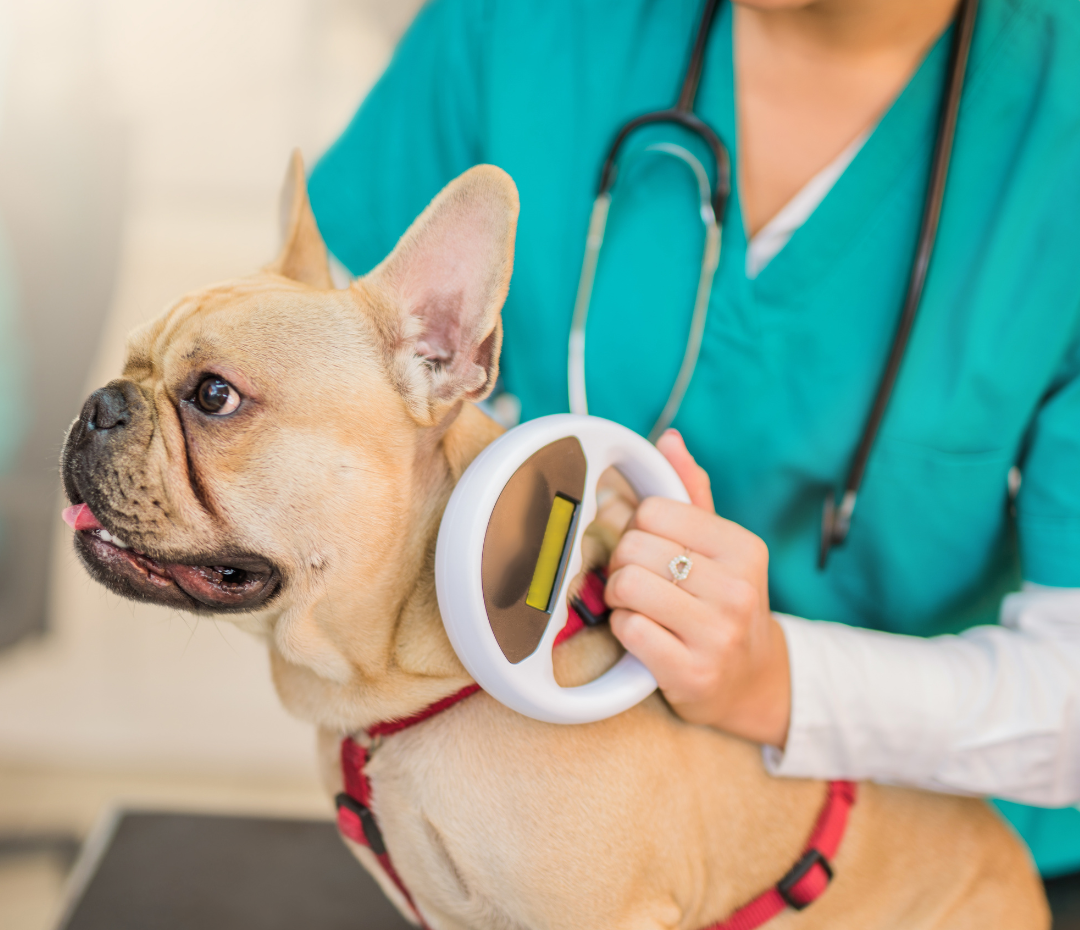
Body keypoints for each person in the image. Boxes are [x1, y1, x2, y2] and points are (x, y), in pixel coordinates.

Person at [308, 0, 1080, 876]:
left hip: (929, 877)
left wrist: (771, 680)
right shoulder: (517, 28)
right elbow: (316, 412)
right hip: (544, 831)